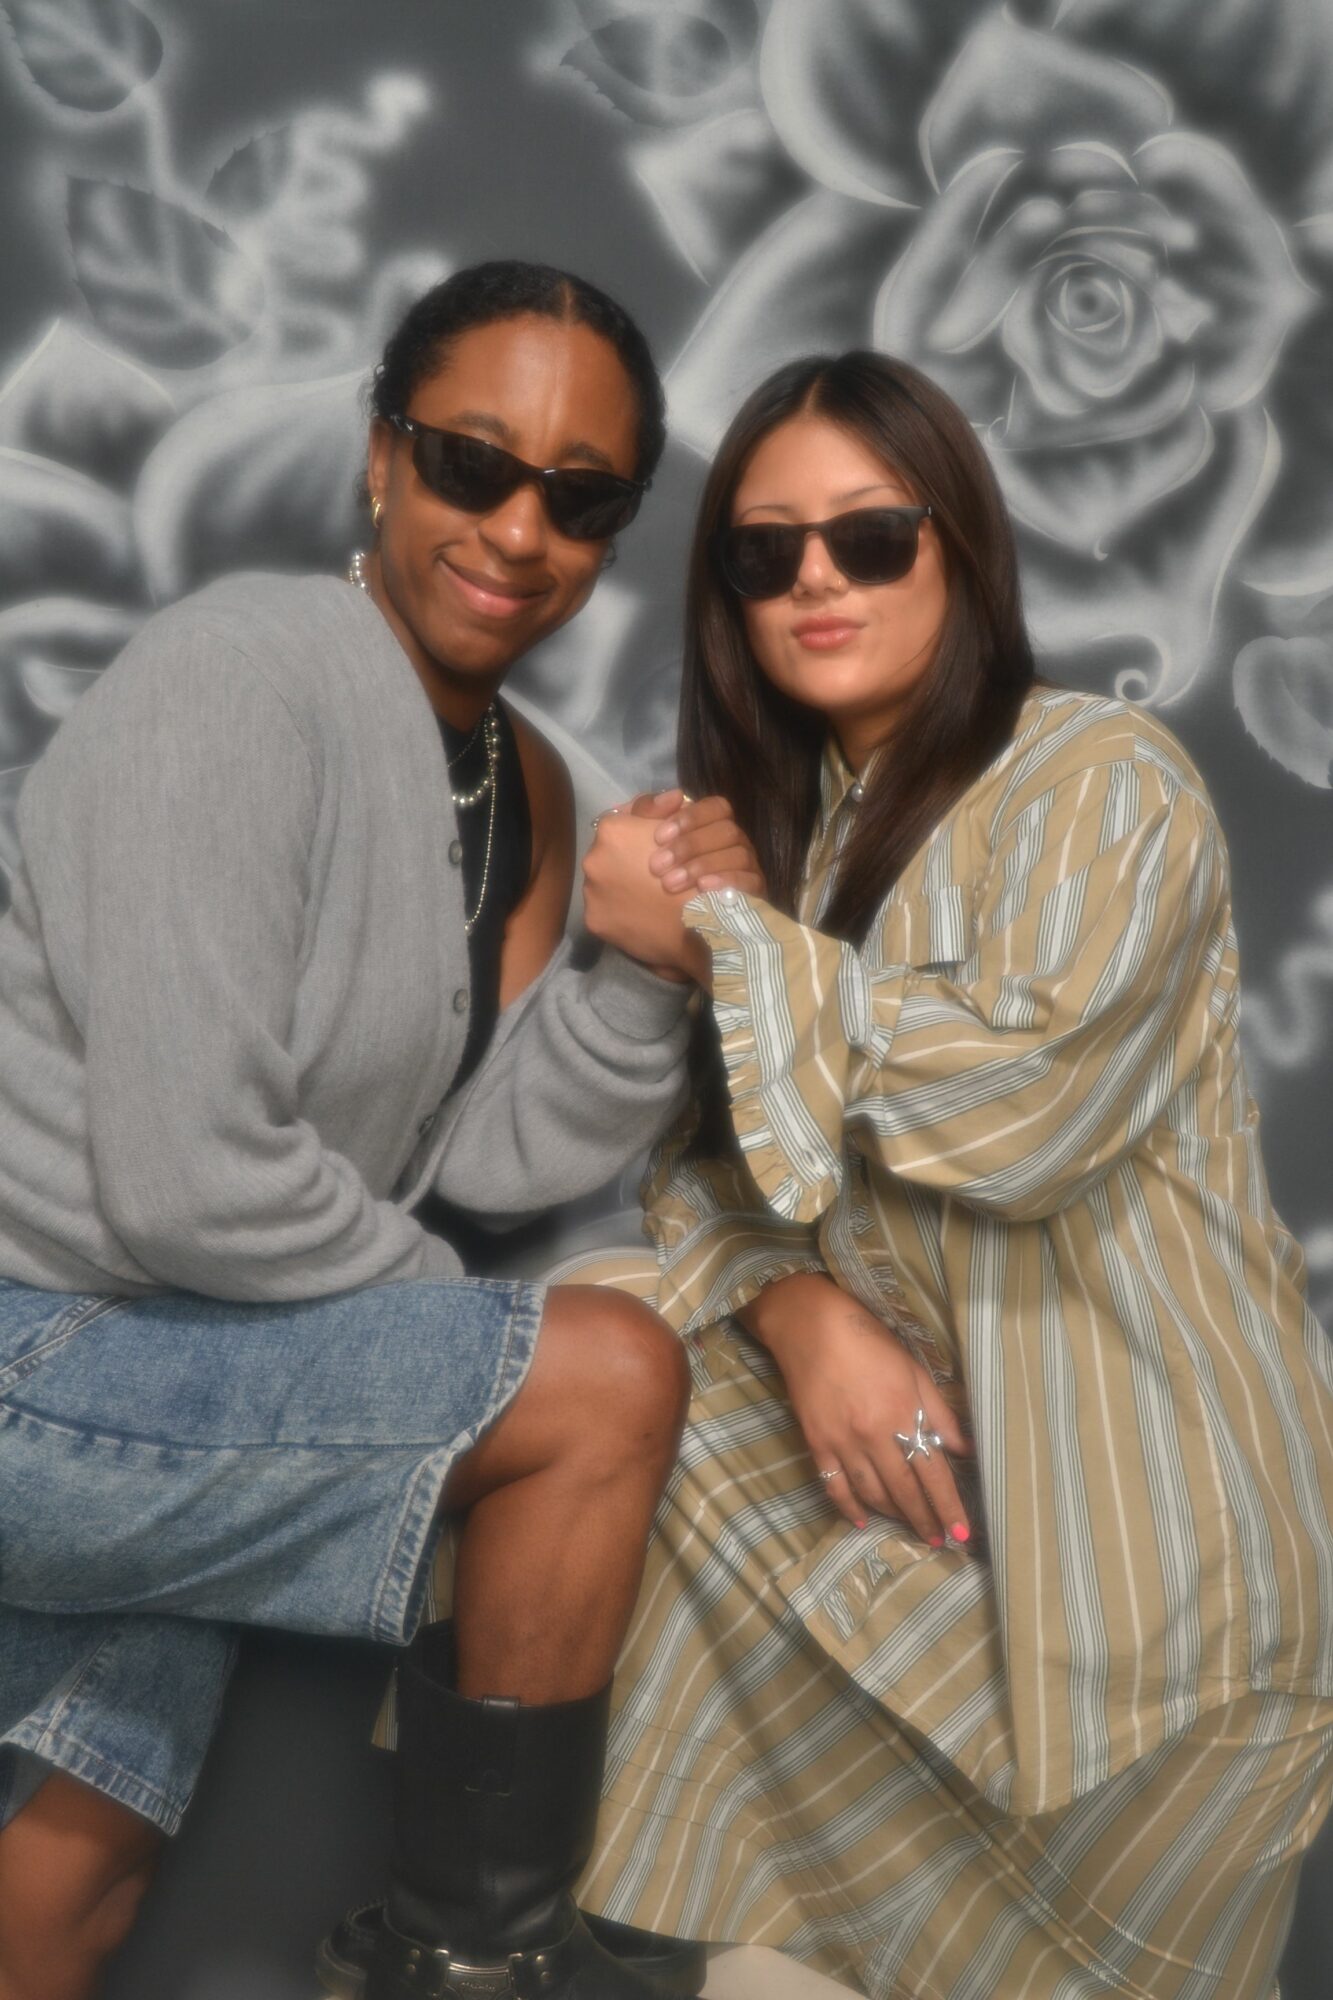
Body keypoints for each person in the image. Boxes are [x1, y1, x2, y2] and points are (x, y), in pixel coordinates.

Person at [0, 260, 750, 2000]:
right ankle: (466, 1969)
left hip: (188, 1359)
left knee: (67, 1884)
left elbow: (481, 1159)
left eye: (580, 499)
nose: (518, 531)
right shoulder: (237, 677)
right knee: (604, 1377)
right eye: (471, 463)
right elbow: (194, 1184)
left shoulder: (517, 778)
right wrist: (467, 1341)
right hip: (49, 1348)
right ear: (381, 456)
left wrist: (641, 968)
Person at [553, 350, 1333, 1999]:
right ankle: (463, 1930)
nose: (814, 579)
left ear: (960, 548)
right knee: (590, 1342)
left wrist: (715, 942)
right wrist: (800, 1314)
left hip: (1146, 1615)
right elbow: (701, 1172)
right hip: (911, 1541)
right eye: (763, 552)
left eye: (869, 535)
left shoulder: (1102, 778)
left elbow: (1022, 1103)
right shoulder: (805, 839)